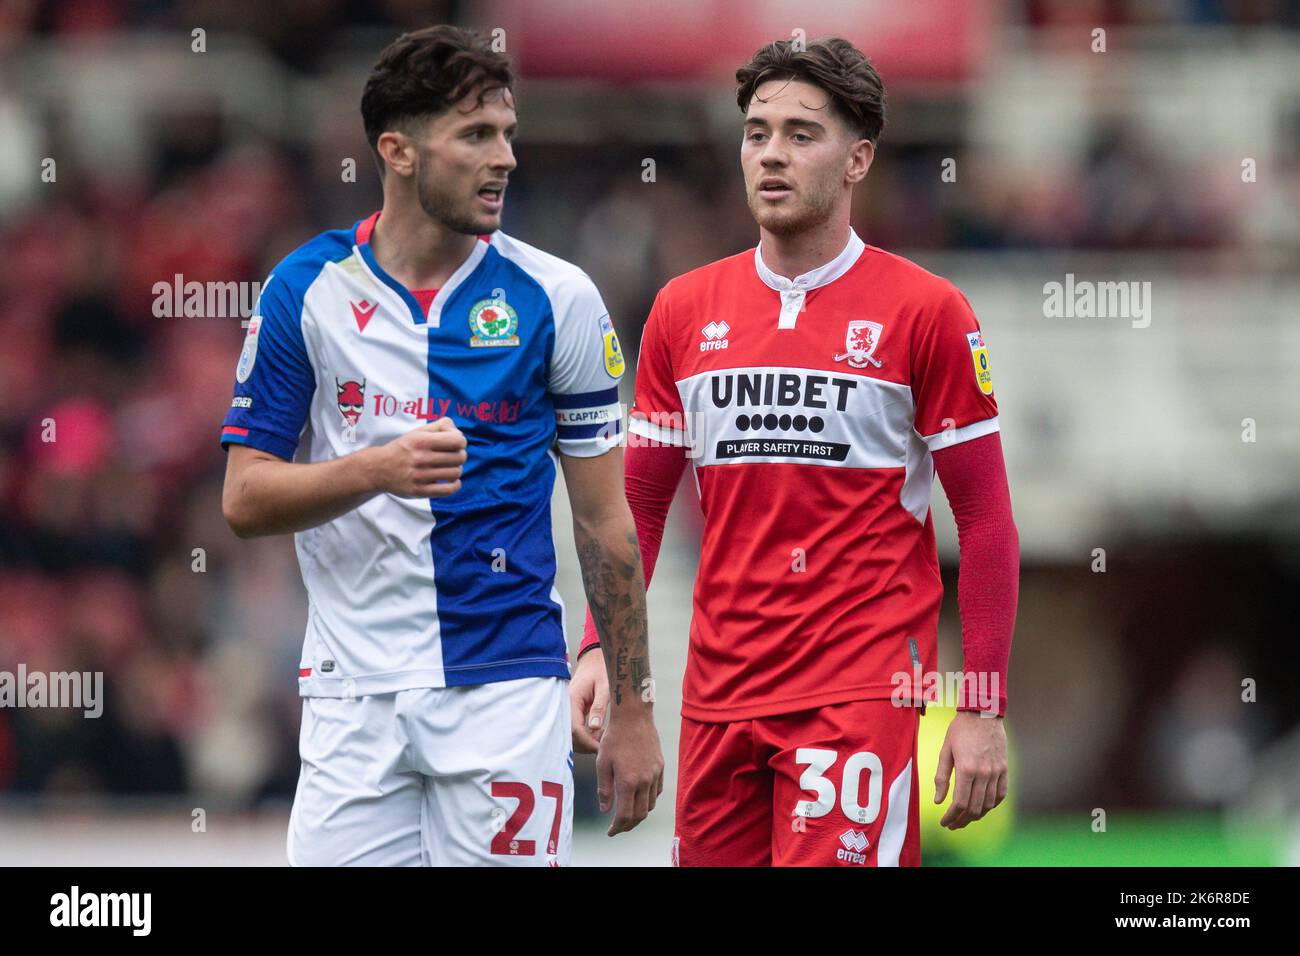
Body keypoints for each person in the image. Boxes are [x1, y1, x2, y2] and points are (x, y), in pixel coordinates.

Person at [220, 25, 662, 866]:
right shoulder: (304, 290)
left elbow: (605, 521)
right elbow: (244, 501)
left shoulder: (557, 297)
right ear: (399, 150)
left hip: (505, 691)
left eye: (508, 134)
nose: (505, 158)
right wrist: (375, 471)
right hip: (352, 697)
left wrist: (634, 707)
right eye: (475, 135)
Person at [572, 36, 1018, 866]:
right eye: (756, 132)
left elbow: (986, 519)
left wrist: (981, 704)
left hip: (859, 693)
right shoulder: (681, 309)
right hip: (717, 697)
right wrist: (604, 653)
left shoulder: (927, 311)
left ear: (857, 159)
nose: (771, 154)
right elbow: (635, 507)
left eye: (801, 134)